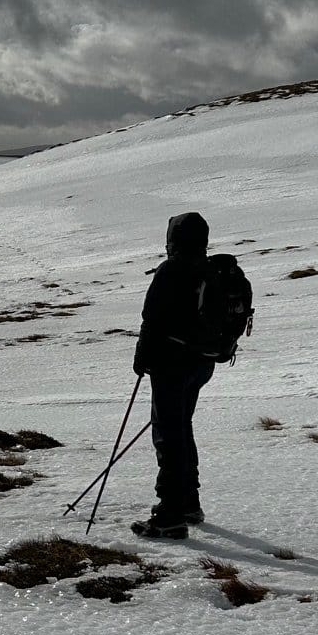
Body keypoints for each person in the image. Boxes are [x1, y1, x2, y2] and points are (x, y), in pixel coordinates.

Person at [132, 211, 216, 538]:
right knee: (182, 426)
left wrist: (142, 358)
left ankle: (170, 515)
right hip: (201, 362)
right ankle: (188, 503)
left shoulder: (172, 269)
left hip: (172, 363)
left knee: (168, 433)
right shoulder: (209, 269)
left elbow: (152, 318)